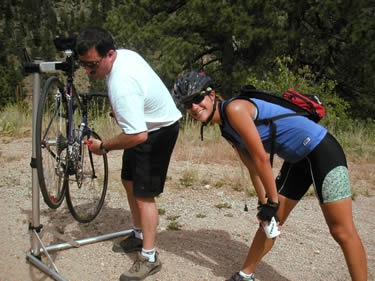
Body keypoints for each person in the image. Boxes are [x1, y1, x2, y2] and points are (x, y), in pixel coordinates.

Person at [172, 71, 367, 281]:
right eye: (187, 104)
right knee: (269, 222)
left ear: (211, 95)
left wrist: (272, 202)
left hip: (322, 151)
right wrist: (264, 204)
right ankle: (245, 275)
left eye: (197, 98)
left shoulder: (235, 109)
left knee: (341, 230)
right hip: (297, 160)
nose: (193, 107)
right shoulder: (226, 129)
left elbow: (261, 159)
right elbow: (253, 169)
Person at [76, 27, 182, 281]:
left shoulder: (122, 83)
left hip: (157, 131)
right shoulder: (121, 57)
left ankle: (149, 256)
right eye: (84, 65)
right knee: (129, 181)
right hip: (145, 124)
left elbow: (137, 136)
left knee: (144, 194)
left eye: (92, 65)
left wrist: (103, 147)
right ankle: (138, 235)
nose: (88, 72)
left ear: (110, 54)